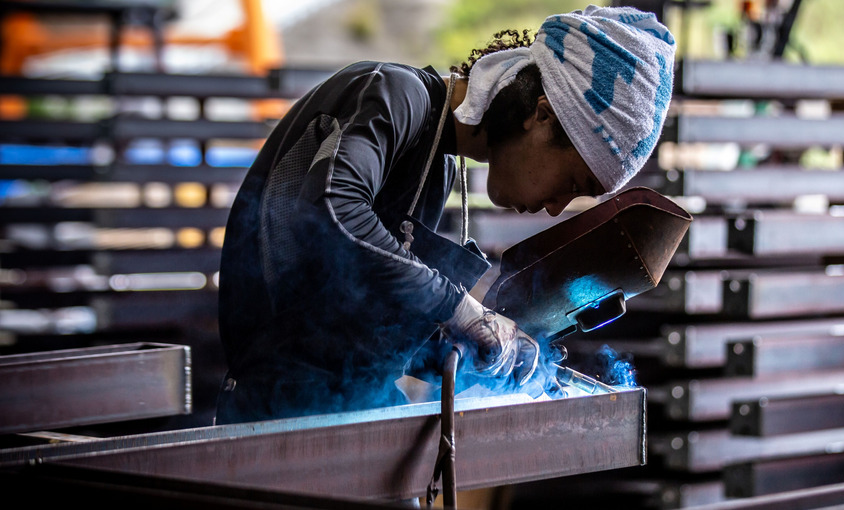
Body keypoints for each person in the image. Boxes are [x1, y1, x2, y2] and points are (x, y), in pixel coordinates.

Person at [215, 5, 676, 423]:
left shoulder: (439, 168)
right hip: (272, 409)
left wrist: (475, 351)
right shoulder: (394, 94)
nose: (555, 207)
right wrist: (461, 310)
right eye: (573, 185)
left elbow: (361, 312)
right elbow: (334, 212)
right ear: (543, 115)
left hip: (348, 406)